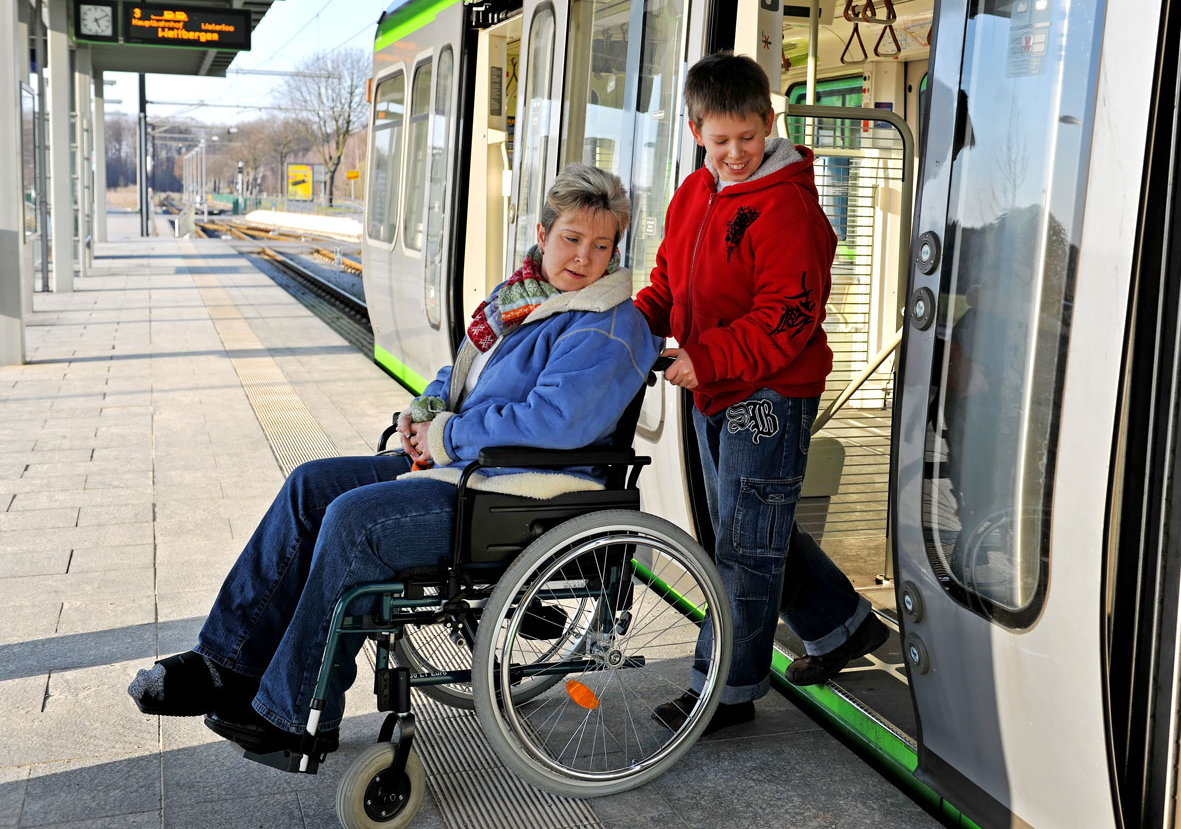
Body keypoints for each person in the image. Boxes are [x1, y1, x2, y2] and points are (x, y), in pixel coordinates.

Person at [128, 164, 661, 757]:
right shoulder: (519, 301)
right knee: (311, 485)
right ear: (542, 234)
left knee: (356, 520)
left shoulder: (610, 323)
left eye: (601, 245)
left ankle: (299, 712)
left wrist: (447, 435)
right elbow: (464, 375)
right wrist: (423, 411)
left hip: (522, 490)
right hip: (466, 466)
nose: (584, 256)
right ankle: (228, 664)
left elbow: (556, 423)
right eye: (571, 238)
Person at [635, 53, 888, 733]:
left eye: (748, 137)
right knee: (752, 527)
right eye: (720, 142)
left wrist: (706, 357)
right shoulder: (693, 194)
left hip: (768, 394)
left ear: (769, 123)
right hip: (714, 386)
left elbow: (788, 316)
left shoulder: (788, 209)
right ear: (696, 133)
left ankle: (726, 690)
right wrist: (630, 326)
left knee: (743, 545)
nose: (736, 153)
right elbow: (669, 283)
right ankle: (841, 625)